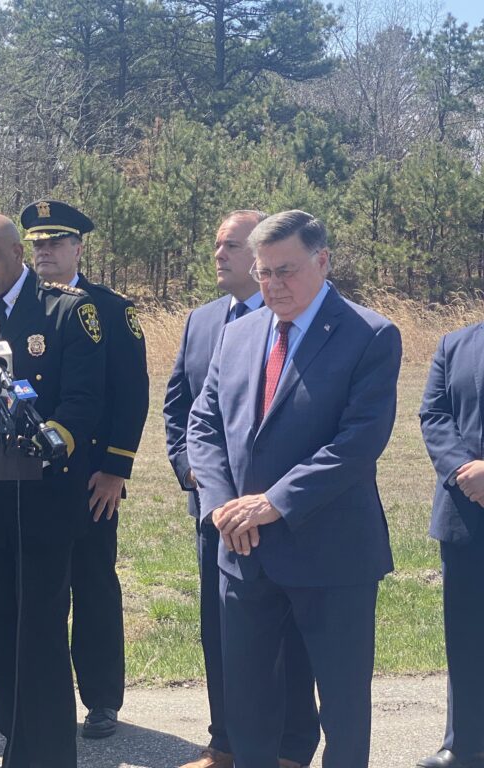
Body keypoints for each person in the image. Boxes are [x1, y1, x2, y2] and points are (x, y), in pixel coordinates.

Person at [187, 210, 400, 768]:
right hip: (244, 551)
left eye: (286, 271)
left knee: (343, 710)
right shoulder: (238, 333)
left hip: (330, 554)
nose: (273, 285)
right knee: (250, 709)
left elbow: (359, 442)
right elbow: (203, 425)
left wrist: (274, 503)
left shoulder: (370, 335)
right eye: (263, 273)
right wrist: (220, 507)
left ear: (322, 261)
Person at [0, 213, 105, 768]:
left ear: (17, 254)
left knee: (39, 632)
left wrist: (47, 440)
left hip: (43, 501)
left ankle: (49, 755)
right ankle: (15, 740)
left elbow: (83, 399)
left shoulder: (65, 312)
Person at [163, 211, 320, 768]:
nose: (220, 254)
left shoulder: (298, 317)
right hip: (218, 510)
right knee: (222, 630)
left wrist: (270, 500)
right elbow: (181, 406)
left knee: (289, 635)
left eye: (232, 245)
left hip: (280, 512)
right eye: (217, 244)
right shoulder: (203, 320)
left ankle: (291, 746)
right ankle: (225, 742)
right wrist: (193, 471)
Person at [19, 199, 147, 739]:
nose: (45, 252)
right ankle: (26, 695)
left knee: (92, 584)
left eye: (55, 242)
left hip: (91, 477)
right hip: (26, 478)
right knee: (33, 589)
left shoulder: (110, 310)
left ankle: (101, 699)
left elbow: (131, 394)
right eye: (37, 244)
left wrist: (116, 468)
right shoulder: (19, 306)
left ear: (78, 248)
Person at [418, 325, 484, 768]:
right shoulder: (454, 344)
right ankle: (465, 744)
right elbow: (434, 415)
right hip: (466, 513)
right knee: (467, 635)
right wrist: (465, 470)